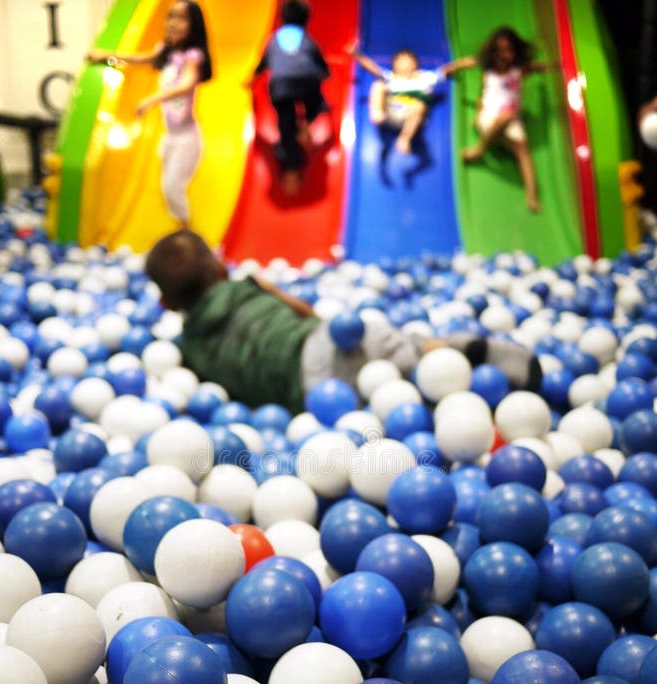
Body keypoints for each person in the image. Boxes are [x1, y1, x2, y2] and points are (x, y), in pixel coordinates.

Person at [145, 230, 541, 414]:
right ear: (220, 267)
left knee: (390, 404)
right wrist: (282, 298)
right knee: (402, 349)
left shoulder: (190, 349)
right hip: (324, 341)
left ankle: (439, 391)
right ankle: (444, 351)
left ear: (166, 303)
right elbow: (304, 311)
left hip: (310, 399)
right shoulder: (246, 285)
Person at [87, 0, 212, 226]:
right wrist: (106, 56)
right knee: (167, 189)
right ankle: (182, 229)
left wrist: (152, 99)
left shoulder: (193, 56)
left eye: (182, 18)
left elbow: (186, 84)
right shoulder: (166, 52)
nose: (173, 23)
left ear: (194, 25)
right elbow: (138, 58)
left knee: (172, 187)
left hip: (187, 138)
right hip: (170, 137)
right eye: (171, 16)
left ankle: (188, 232)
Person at [445, 26, 551, 212]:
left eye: (508, 50)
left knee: (522, 149)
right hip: (488, 117)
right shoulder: (489, 69)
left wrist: (544, 69)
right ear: (491, 52)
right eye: (498, 50)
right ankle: (480, 149)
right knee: (507, 117)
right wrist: (450, 69)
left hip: (511, 122)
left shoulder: (519, 70)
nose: (502, 55)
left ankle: (532, 195)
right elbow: (468, 62)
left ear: (516, 52)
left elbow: (537, 68)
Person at [250, 0, 330, 196]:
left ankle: (291, 166)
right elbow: (319, 62)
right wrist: (325, 73)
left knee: (285, 120)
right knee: (316, 103)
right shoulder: (307, 39)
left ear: (281, 19)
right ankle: (307, 122)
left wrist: (251, 79)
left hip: (280, 85)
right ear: (306, 21)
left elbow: (263, 63)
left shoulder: (274, 38)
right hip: (307, 81)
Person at [348, 45, 449, 155]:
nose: (405, 64)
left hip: (411, 118)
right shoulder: (391, 77)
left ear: (415, 64)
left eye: (408, 61)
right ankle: (377, 114)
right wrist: (357, 55)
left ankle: (405, 139)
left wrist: (460, 64)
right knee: (379, 85)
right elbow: (373, 68)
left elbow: (444, 71)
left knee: (419, 105)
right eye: (400, 61)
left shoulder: (424, 77)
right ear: (394, 65)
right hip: (391, 114)